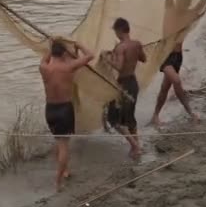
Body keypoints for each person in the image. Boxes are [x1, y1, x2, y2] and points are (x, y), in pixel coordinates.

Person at [151, 0, 206, 126]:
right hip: (164, 54)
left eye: (184, 2)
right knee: (177, 81)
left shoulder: (188, 14)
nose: (180, 4)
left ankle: (155, 116)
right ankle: (191, 113)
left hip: (177, 56)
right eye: (179, 0)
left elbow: (202, 3)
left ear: (186, 4)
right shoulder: (169, 7)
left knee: (165, 88)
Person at [39, 37, 94, 192]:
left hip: (50, 109)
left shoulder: (43, 67)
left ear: (52, 53)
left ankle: (65, 171)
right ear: (64, 54)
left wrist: (51, 45)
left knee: (58, 142)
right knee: (63, 146)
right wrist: (79, 44)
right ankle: (57, 182)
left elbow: (46, 57)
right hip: (64, 109)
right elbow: (90, 55)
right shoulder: (69, 67)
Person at [101, 17, 146, 160]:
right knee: (130, 117)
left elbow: (119, 67)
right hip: (133, 83)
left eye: (115, 30)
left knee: (113, 118)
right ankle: (137, 146)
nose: (115, 34)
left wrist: (107, 58)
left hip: (123, 85)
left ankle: (135, 146)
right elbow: (143, 59)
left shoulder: (121, 47)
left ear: (120, 30)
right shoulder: (137, 44)